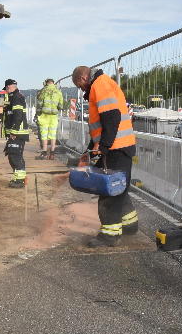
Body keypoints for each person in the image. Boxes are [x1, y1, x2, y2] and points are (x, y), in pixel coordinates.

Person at [72, 66, 139, 247]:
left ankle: (109, 236)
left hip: (116, 148)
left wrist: (104, 147)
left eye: (79, 85)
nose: (81, 89)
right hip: (120, 146)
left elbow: (112, 117)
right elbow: (101, 126)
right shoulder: (103, 83)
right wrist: (90, 151)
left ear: (84, 77)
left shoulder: (99, 85)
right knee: (119, 188)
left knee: (109, 193)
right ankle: (130, 225)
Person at [2, 78, 29, 188]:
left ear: (9, 87)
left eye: (6, 89)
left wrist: (13, 132)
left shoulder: (17, 98)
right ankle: (18, 177)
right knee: (13, 155)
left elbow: (18, 115)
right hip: (16, 133)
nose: (6, 91)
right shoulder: (14, 97)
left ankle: (20, 180)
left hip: (17, 133)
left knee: (15, 156)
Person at [34, 78, 64, 160]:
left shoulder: (43, 91)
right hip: (54, 116)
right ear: (53, 83)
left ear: (46, 83)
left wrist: (37, 114)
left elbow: (39, 104)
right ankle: (52, 153)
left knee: (44, 134)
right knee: (53, 135)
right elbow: (61, 105)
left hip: (44, 116)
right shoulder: (58, 92)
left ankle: (44, 153)